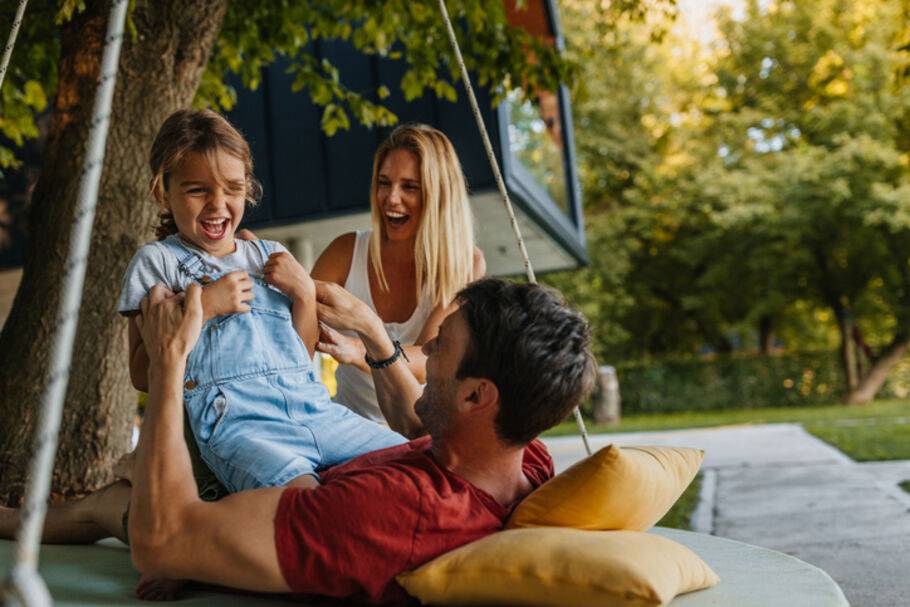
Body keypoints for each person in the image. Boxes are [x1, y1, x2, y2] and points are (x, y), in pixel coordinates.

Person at [118, 109, 407, 493]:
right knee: (302, 499)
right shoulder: (157, 263)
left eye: (233, 189)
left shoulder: (266, 255)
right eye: (197, 190)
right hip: (243, 429)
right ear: (162, 192)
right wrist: (202, 306)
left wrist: (303, 294)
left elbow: (298, 358)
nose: (218, 204)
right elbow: (141, 374)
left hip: (316, 413)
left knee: (413, 460)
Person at [312, 124, 486, 428]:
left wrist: (357, 349)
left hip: (418, 431)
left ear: (438, 195)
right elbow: (297, 319)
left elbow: (427, 361)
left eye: (410, 187)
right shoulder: (346, 251)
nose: (391, 199)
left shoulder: (466, 263)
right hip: (347, 426)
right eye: (384, 183)